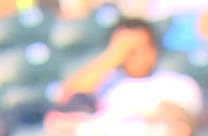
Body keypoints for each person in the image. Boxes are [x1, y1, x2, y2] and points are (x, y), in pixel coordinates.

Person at [57, 19, 203, 130]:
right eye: (123, 50)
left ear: (152, 50)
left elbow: (181, 125)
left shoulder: (177, 83)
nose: (128, 56)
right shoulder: (105, 82)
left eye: (135, 49)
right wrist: (113, 56)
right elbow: (65, 96)